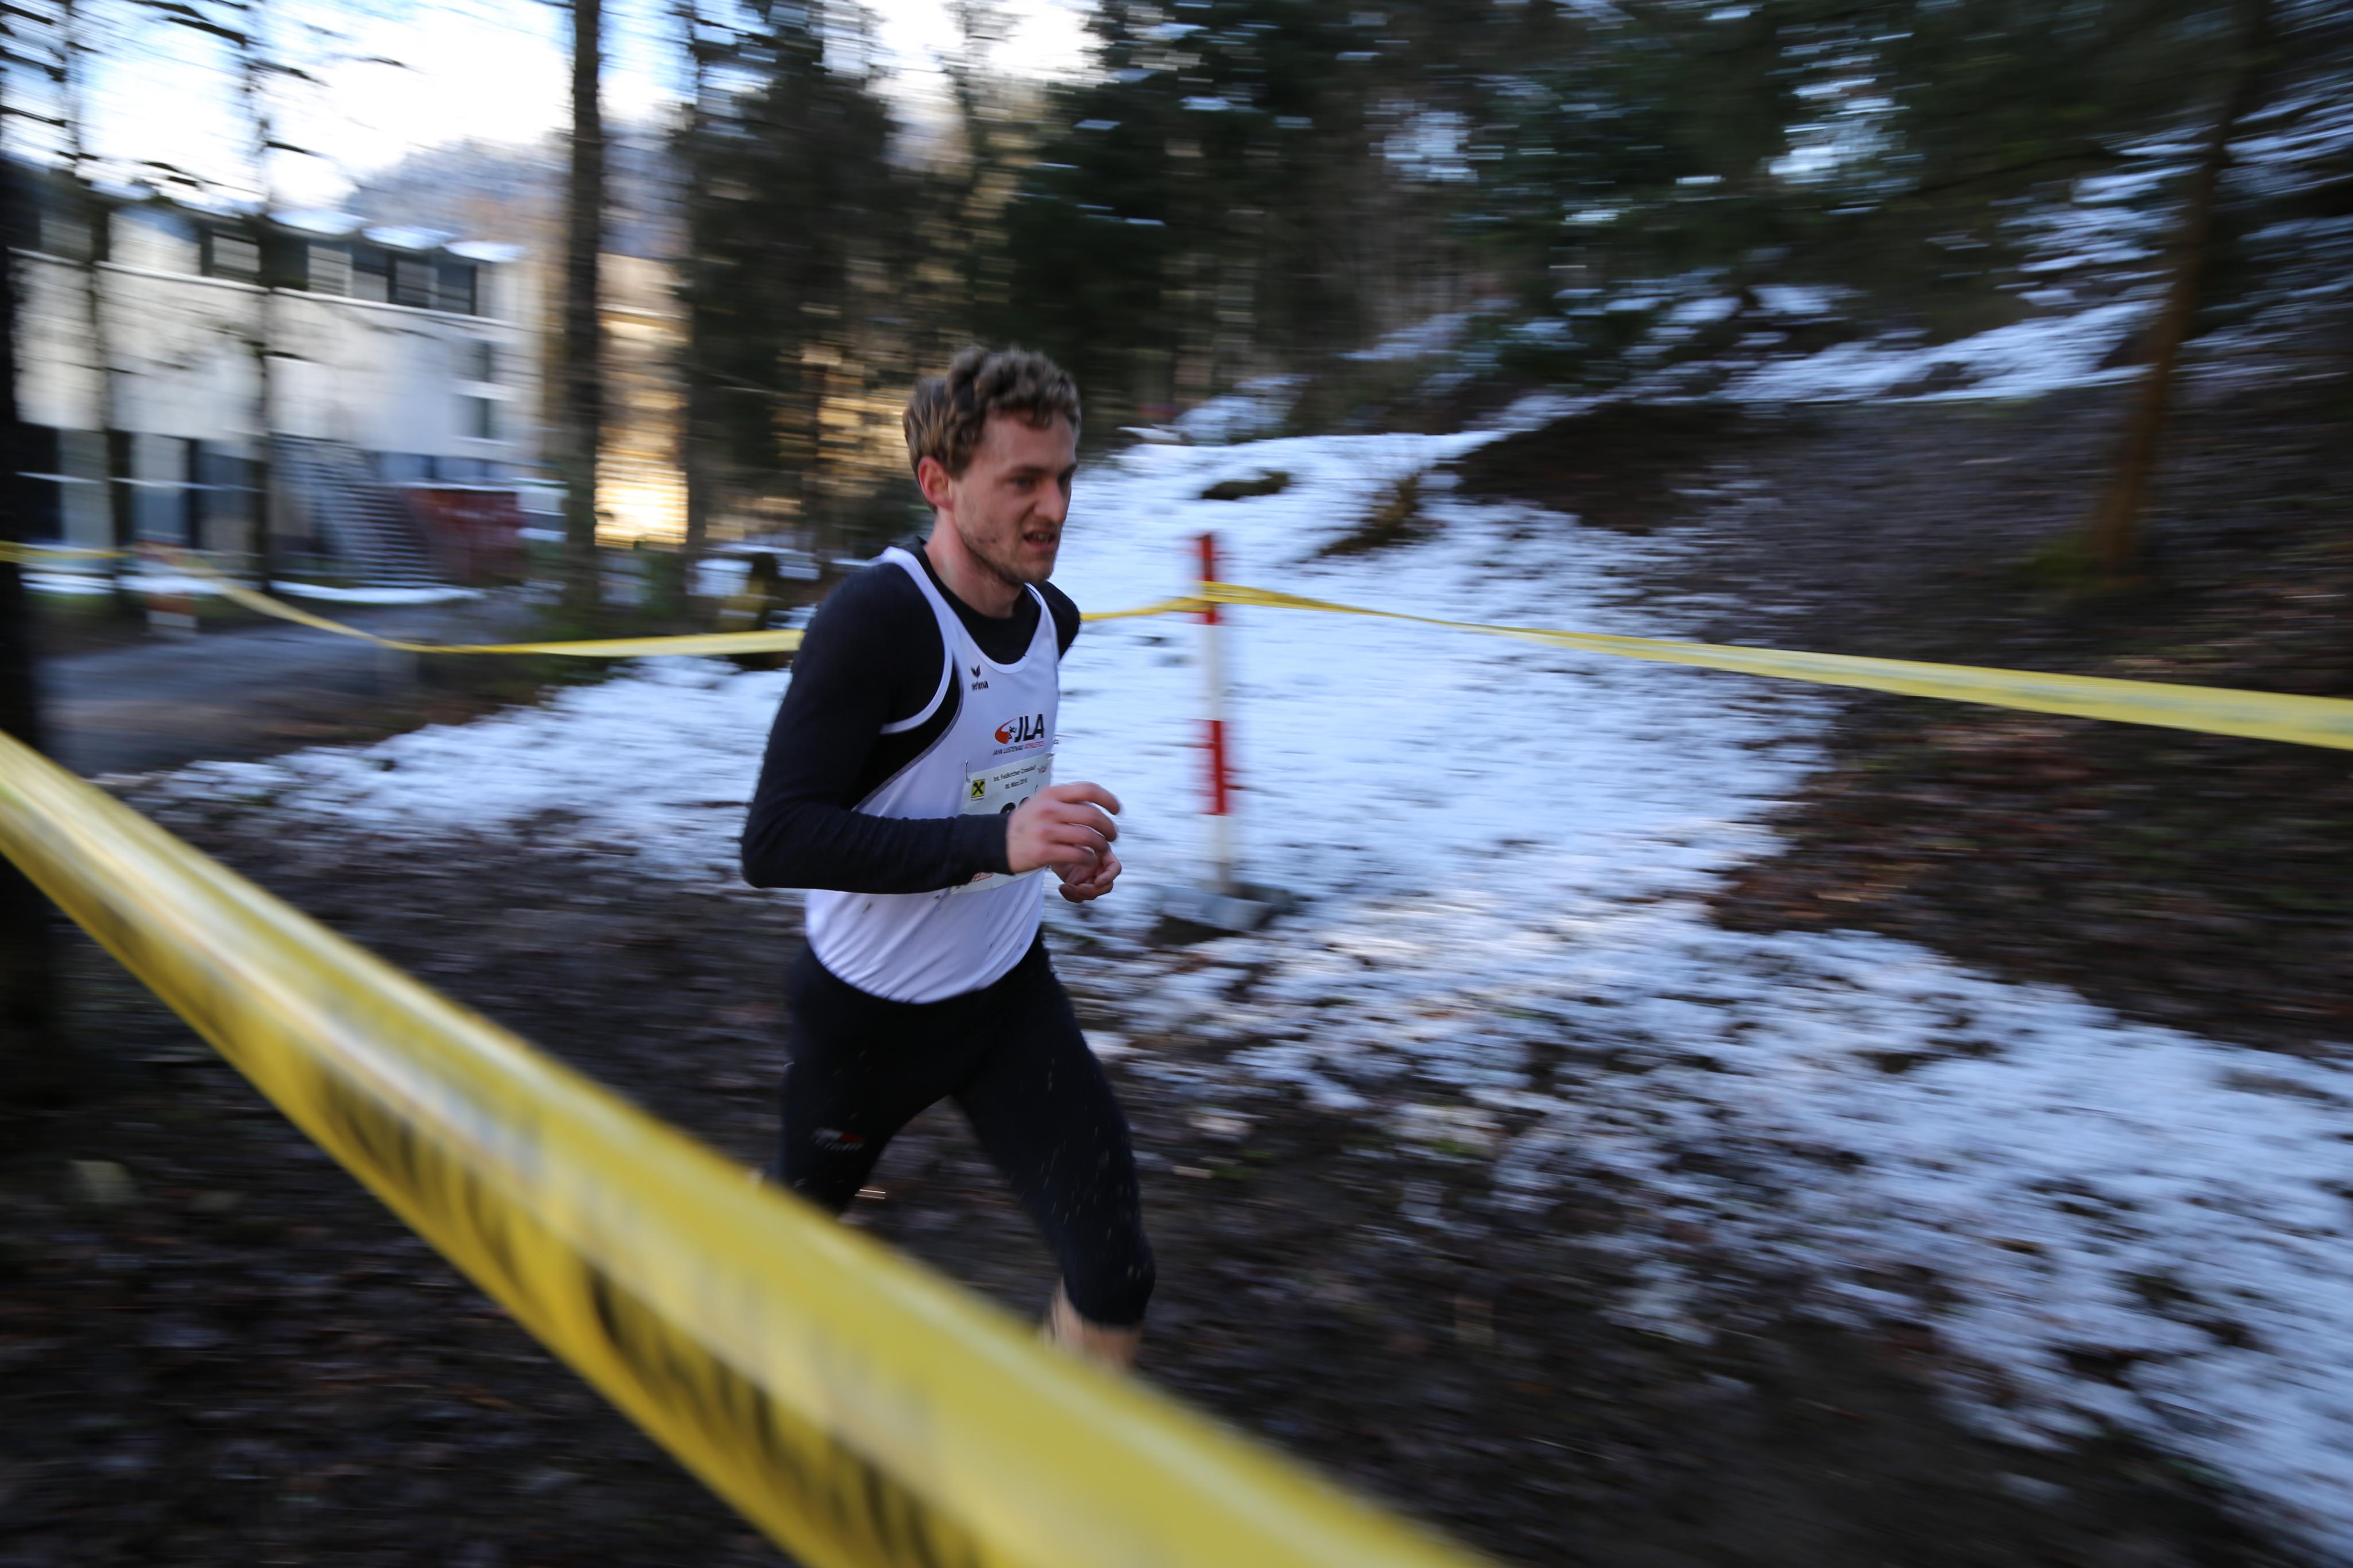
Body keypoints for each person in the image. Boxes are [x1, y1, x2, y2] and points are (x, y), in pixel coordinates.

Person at [740, 347, 1153, 1368]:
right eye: (1023, 480)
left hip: (1008, 999)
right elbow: (777, 838)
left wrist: (1062, 857)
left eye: (1065, 477)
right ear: (940, 482)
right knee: (777, 1249)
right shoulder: (876, 622)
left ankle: (1043, 1463)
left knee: (1116, 1273)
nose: (1055, 507)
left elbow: (984, 785)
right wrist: (997, 842)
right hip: (867, 1019)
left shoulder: (1052, 618)